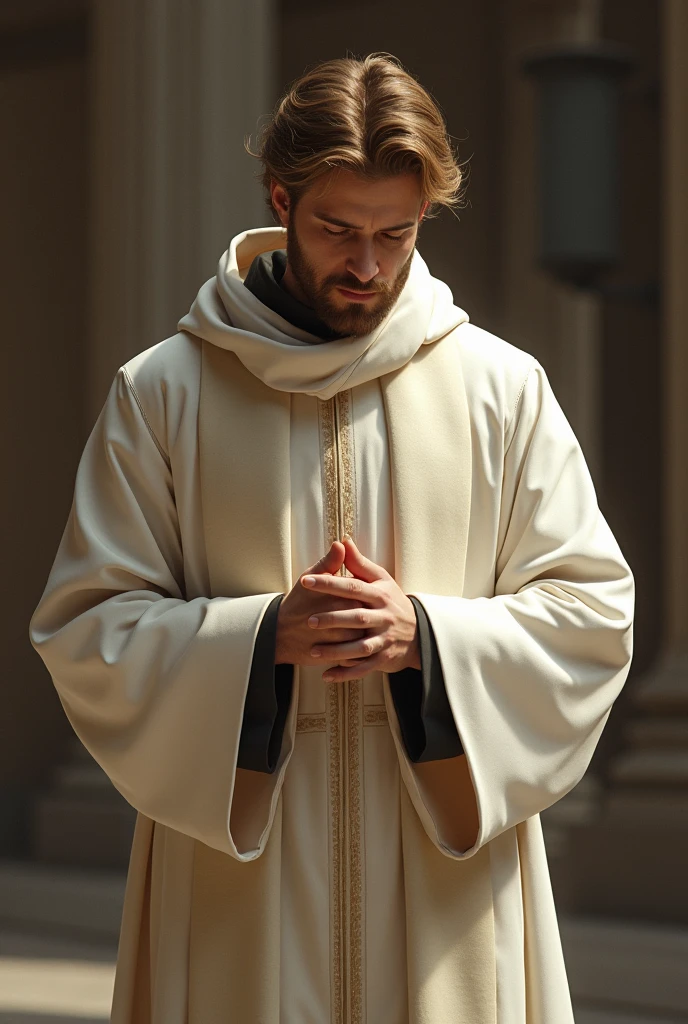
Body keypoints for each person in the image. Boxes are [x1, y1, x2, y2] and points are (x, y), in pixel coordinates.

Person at [30, 53, 634, 1024]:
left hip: (443, 897)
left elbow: (592, 613)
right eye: (336, 230)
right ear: (280, 198)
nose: (366, 265)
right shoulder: (164, 393)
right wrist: (261, 639)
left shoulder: (500, 388)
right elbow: (87, 627)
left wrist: (424, 638)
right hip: (241, 900)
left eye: (394, 234)